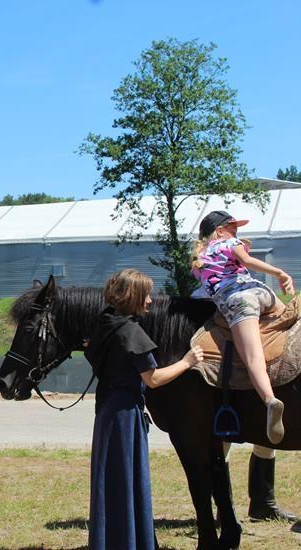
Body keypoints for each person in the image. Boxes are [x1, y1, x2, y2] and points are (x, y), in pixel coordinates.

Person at [85, 269, 203, 550]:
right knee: (126, 479)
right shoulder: (130, 332)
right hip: (125, 414)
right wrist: (188, 361)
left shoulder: (106, 323)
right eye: (146, 294)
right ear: (134, 296)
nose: (151, 300)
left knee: (111, 480)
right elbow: (154, 379)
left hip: (107, 411)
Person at [191, 210, 294, 444]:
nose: (237, 231)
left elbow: (201, 293)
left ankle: (269, 400)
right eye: (233, 227)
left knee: (253, 358)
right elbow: (247, 261)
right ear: (220, 231)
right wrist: (279, 272)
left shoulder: (201, 259)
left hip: (238, 301)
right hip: (262, 293)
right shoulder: (229, 242)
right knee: (286, 318)